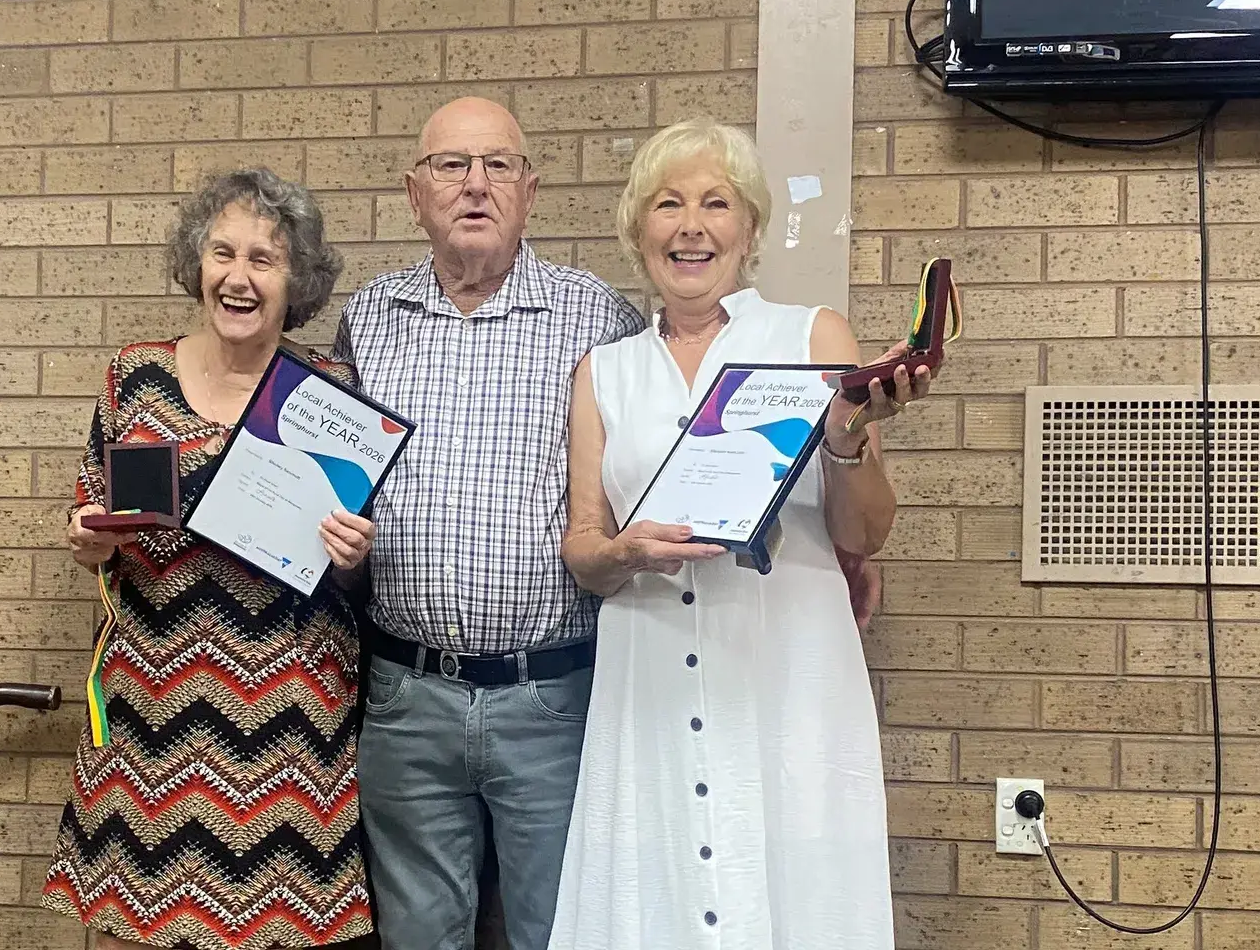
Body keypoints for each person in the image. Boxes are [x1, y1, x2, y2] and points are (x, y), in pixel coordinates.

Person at [551, 120, 929, 950]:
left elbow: (865, 531)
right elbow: (583, 543)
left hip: (785, 677)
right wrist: (623, 553)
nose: (691, 226)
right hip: (649, 679)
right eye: (668, 204)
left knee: (797, 894)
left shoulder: (812, 336)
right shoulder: (605, 372)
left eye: (716, 204)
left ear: (751, 229)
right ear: (637, 230)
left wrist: (846, 440)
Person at [333, 97, 644, 950]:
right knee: (418, 937)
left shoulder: (599, 319)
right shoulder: (369, 318)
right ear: (415, 194)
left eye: (498, 164)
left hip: (553, 698)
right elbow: (337, 481)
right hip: (406, 698)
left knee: (559, 932)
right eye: (451, 165)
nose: (475, 185)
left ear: (529, 191)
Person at [43, 169, 378, 950]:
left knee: (278, 928)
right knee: (133, 923)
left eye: (265, 258)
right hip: (146, 712)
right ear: (197, 262)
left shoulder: (326, 393)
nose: (239, 276)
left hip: (288, 720)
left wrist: (353, 556)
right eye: (223, 252)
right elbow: (92, 510)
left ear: (297, 280)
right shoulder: (136, 376)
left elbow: (353, 569)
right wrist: (87, 538)